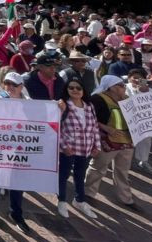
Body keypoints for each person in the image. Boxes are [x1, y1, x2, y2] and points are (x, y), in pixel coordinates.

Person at [0, 72, 33, 234]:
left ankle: (16, 214)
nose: (10, 87)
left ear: (21, 87)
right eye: (7, 83)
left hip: (20, 149)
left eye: (14, 84)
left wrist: (58, 106)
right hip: (1, 147)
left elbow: (46, 112)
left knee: (18, 183)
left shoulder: (30, 103)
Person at [84, 75, 138, 209]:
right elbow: (88, 117)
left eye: (123, 85)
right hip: (106, 139)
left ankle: (126, 198)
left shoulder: (126, 99)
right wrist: (106, 127)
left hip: (126, 140)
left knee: (123, 170)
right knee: (98, 167)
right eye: (120, 85)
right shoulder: (97, 99)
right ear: (110, 87)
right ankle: (88, 193)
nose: (123, 87)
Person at [56, 77, 100, 219]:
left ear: (83, 90)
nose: (75, 90)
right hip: (68, 148)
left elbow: (95, 127)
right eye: (71, 88)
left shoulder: (89, 106)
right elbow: (56, 127)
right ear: (67, 90)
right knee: (63, 175)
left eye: (78, 88)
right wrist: (63, 145)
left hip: (85, 148)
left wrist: (96, 145)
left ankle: (79, 200)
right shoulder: (63, 106)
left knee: (80, 176)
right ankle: (61, 201)